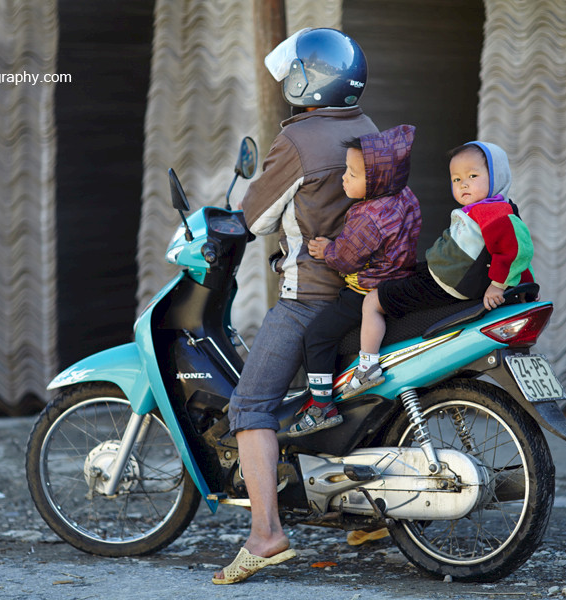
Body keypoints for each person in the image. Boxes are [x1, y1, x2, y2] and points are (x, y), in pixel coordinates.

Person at [211, 28, 378, 585]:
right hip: (364, 291)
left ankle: (266, 533)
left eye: (293, 74)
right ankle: (370, 513)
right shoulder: (365, 127)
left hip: (310, 293)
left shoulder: (301, 141)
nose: (287, 82)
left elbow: (255, 219)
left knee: (251, 406)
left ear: (309, 81)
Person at [351, 141, 535, 388]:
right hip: (443, 278)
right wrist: (525, 285)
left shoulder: (493, 213)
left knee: (372, 301)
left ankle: (367, 369)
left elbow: (516, 251)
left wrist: (498, 286)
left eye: (473, 175)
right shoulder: (485, 210)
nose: (464, 184)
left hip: (447, 286)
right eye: (457, 179)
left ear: (497, 176)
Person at [288, 124, 422, 436]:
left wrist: (326, 250)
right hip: (399, 282)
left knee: (317, 337)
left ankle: (322, 408)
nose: (344, 178)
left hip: (365, 289)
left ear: (377, 180)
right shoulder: (405, 195)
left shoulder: (368, 217)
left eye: (352, 173)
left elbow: (345, 258)